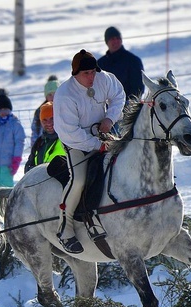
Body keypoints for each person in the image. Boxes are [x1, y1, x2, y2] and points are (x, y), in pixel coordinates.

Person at [53, 49, 125, 254]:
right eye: (86, 74)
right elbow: (69, 133)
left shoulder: (103, 79)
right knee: (80, 180)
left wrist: (110, 118)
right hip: (76, 143)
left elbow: (119, 94)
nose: (92, 77)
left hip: (102, 136)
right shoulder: (65, 94)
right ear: (75, 73)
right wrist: (96, 145)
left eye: (93, 72)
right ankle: (64, 229)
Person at [97, 26, 145, 100]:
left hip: (128, 107)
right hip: (105, 108)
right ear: (107, 42)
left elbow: (138, 87)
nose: (115, 41)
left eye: (118, 38)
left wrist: (128, 104)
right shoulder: (100, 64)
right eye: (112, 39)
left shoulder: (133, 61)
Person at [24, 101, 65, 174]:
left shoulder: (67, 139)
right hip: (39, 183)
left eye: (52, 119)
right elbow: (28, 167)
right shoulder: (39, 142)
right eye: (44, 120)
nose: (48, 123)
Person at [30, 75, 59, 145]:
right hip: (44, 143)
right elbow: (35, 131)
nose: (52, 97)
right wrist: (35, 146)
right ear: (46, 96)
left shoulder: (65, 108)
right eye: (49, 95)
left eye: (55, 94)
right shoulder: (39, 111)